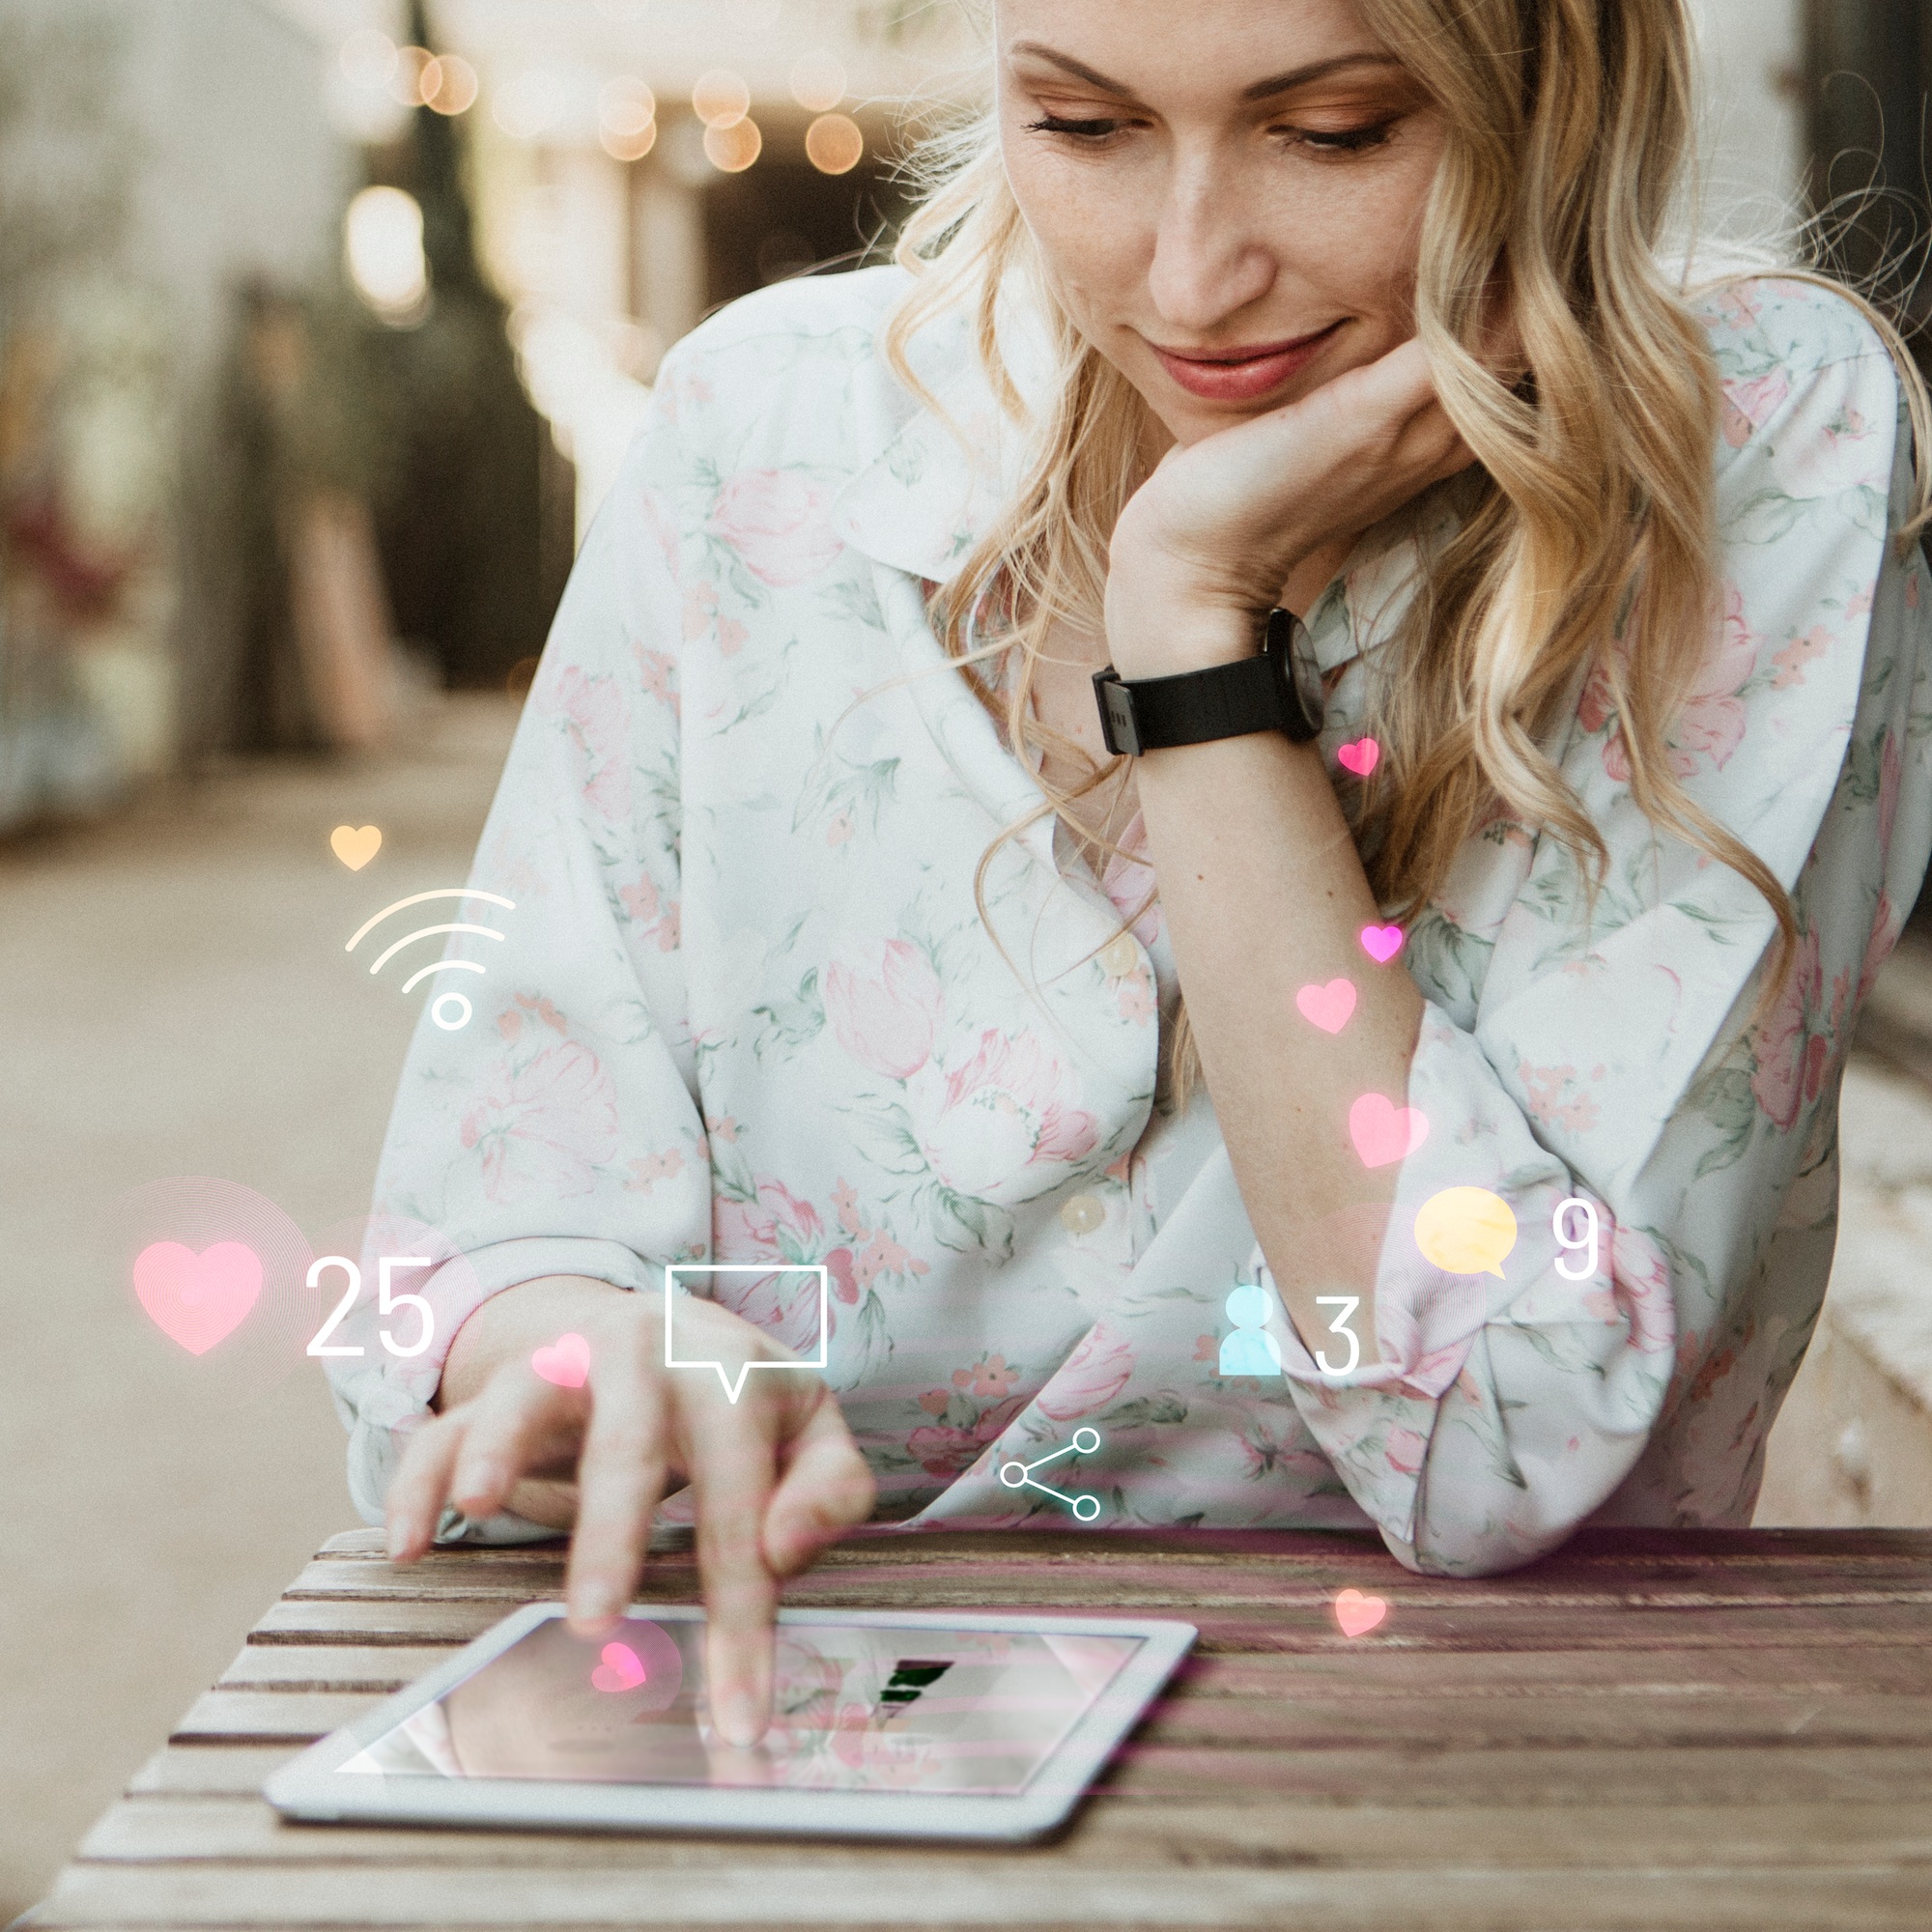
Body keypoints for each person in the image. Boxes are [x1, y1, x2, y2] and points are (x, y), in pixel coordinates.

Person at [331, 0, 1932, 1749]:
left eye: (1331, 134)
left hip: (1470, 1766)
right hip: (773, 1738)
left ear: (1553, 96)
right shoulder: (761, 430)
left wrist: (1193, 635)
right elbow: (471, 1241)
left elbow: (1507, 1437)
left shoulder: (1751, 449)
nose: (1188, 278)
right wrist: (570, 1340)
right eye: (1084, 130)